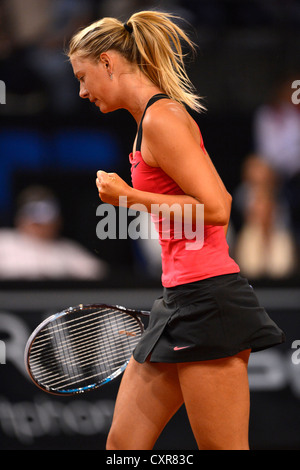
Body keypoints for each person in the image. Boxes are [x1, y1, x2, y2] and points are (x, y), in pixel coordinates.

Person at [68, 10, 285, 450]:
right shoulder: (146, 122)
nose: (81, 91)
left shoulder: (160, 119)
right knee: (122, 450)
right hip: (180, 299)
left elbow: (218, 208)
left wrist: (128, 198)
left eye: (83, 76)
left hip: (209, 303)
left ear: (108, 62)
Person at [0, 185, 108, 280]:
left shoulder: (66, 250)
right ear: (20, 218)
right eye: (33, 217)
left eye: (46, 218)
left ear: (58, 221)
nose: (39, 225)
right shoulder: (4, 242)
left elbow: (100, 273)